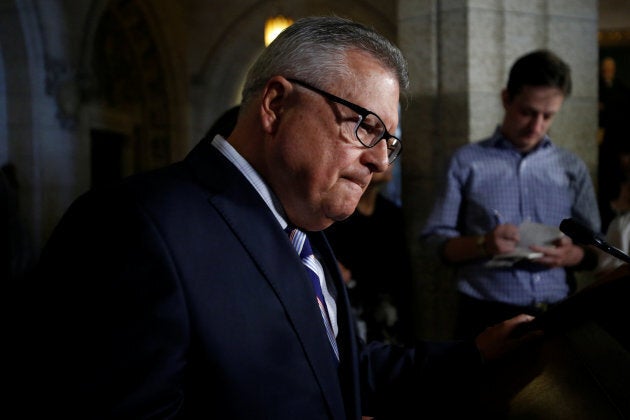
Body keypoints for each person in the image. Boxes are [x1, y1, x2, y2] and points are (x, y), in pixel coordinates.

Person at [26, 16, 540, 419]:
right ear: (274, 104)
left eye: (389, 141)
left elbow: (336, 366)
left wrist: (472, 354)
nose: (381, 160)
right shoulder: (131, 226)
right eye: (365, 127)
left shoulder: (302, 224)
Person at [420, 49, 601, 340]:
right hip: (484, 313)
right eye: (527, 112)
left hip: (557, 311)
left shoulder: (570, 167)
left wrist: (571, 255)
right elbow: (434, 245)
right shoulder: (467, 162)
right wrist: (484, 244)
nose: (536, 126)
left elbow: (597, 251)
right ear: (506, 99)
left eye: (548, 116)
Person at [325, 165, 414, 346]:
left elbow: (402, 273)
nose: (384, 161)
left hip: (386, 319)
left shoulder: (391, 213)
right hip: (351, 315)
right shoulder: (338, 215)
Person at [597, 56, 630, 232]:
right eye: (604, 68)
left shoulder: (622, 90)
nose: (607, 72)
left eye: (610, 68)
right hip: (603, 149)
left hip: (617, 146)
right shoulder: (596, 88)